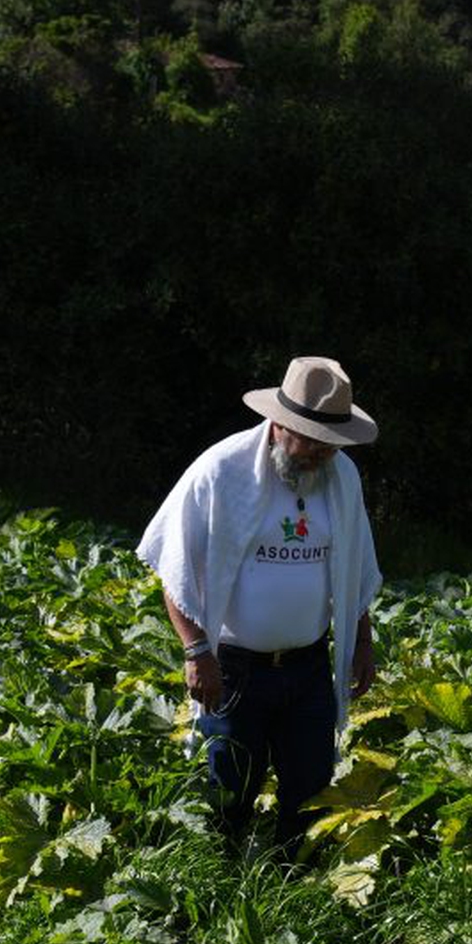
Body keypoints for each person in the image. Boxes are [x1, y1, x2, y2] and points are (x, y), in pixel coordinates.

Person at [138, 356, 382, 856]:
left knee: (312, 790)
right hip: (233, 669)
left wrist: (362, 639)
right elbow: (176, 568)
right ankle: (218, 882)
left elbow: (355, 563)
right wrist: (196, 651)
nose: (318, 452)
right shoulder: (221, 471)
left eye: (329, 443)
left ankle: (294, 881)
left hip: (309, 666)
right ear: (279, 423)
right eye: (308, 439)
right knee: (228, 789)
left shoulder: (342, 478)